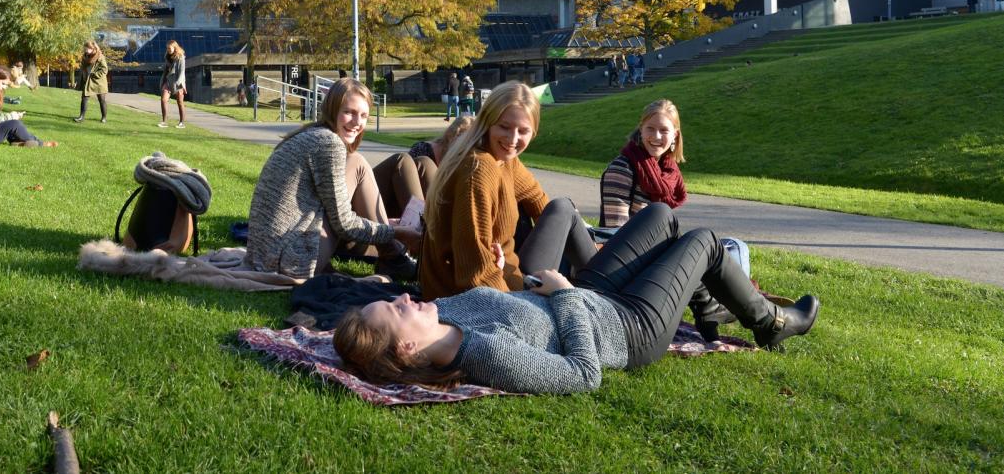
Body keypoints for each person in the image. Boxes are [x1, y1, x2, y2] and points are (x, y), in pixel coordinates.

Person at [333, 202, 820, 393]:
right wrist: (564, 295)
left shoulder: (447, 314)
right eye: (398, 309)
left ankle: (707, 304)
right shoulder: (485, 354)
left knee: (660, 217)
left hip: (590, 296)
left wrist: (536, 285)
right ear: (406, 349)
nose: (405, 299)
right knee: (704, 241)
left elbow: (518, 307)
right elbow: (583, 377)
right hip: (628, 329)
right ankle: (771, 322)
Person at [420, 81, 598, 302]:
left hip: (510, 280)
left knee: (563, 208)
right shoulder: (479, 169)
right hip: (474, 299)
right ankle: (604, 292)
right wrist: (522, 310)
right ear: (487, 123)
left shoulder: (503, 159)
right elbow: (476, 275)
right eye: (504, 127)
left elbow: (538, 199)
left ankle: (602, 288)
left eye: (523, 131)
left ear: (534, 132)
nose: (512, 140)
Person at [243, 77, 421, 280]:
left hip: (269, 255)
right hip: (290, 261)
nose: (357, 123)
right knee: (358, 163)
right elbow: (344, 223)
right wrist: (397, 232)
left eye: (363, 115)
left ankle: (394, 256)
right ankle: (394, 258)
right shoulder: (329, 143)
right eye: (349, 113)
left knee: (356, 161)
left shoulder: (312, 133)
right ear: (332, 109)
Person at [599, 99, 747, 339]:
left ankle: (718, 306)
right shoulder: (623, 168)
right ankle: (716, 308)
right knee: (705, 256)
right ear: (640, 128)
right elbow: (616, 236)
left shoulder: (666, 172)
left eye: (664, 130)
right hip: (624, 265)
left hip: (651, 256)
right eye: (650, 129)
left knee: (736, 248)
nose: (656, 136)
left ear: (675, 135)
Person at [73, 40, 108, 123]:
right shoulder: (85, 56)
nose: (86, 50)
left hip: (99, 82)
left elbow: (104, 70)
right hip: (88, 81)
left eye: (87, 48)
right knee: (84, 98)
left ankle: (104, 118)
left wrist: (94, 74)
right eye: (85, 48)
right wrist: (81, 78)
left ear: (93, 48)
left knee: (102, 100)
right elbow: (82, 68)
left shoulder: (100, 57)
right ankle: (81, 117)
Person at [158, 40, 187, 128]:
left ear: (175, 47)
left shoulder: (180, 57)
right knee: (163, 100)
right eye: (167, 48)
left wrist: (178, 83)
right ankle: (164, 122)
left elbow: (182, 72)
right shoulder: (167, 57)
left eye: (169, 48)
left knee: (180, 102)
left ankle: (181, 123)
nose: (168, 50)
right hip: (168, 81)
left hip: (178, 82)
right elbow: (166, 69)